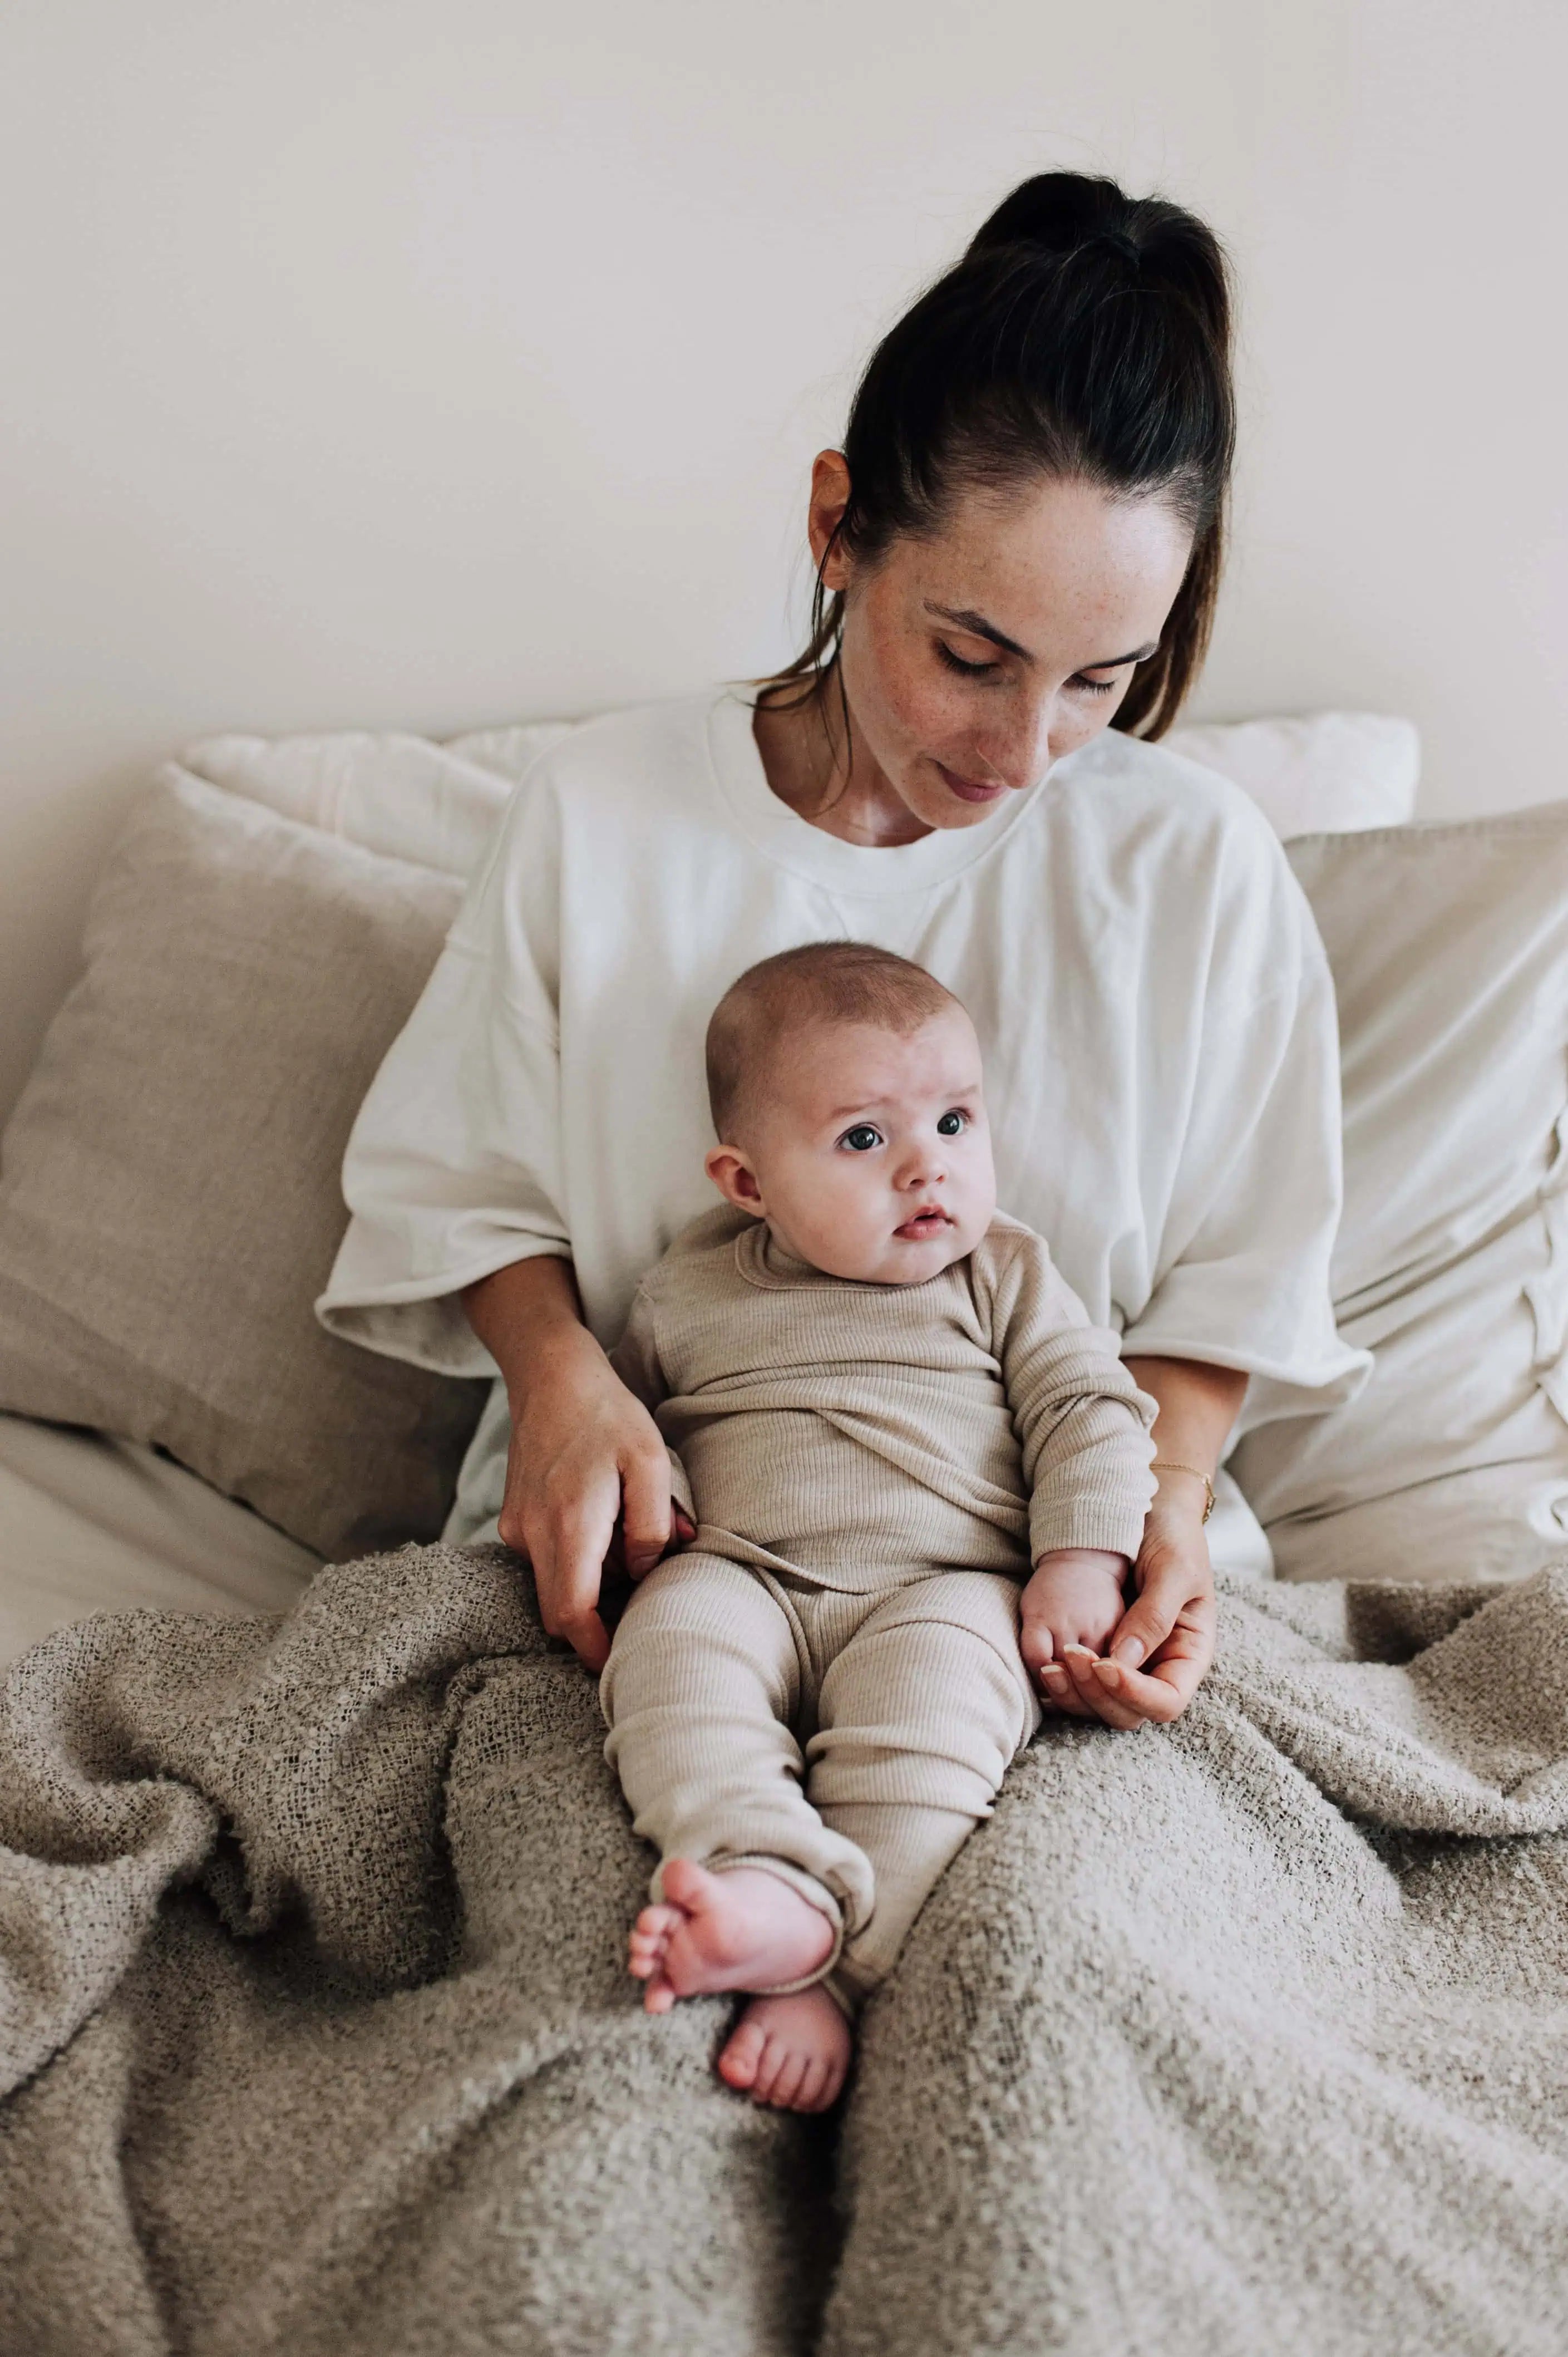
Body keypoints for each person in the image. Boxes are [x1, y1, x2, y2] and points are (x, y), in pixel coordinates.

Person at [318, 169, 1365, 1914]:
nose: (1031, 748)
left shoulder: (1193, 866)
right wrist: (564, 1385)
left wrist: (1157, 1518)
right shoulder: (605, 813)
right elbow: (461, 1182)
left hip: (1043, 1611)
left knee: (1065, 1964)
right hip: (658, 1588)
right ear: (835, 525)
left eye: (1104, 678)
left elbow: (1228, 1294)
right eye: (974, 652)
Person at [603, 942, 1160, 2112]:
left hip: (944, 1586)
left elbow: (1087, 1409)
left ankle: (834, 1967)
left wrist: (1079, 1557)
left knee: (934, 1730)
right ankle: (758, 1870)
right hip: (743, 1573)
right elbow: (619, 1441)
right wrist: (631, 1535)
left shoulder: (1000, 1273)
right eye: (865, 1139)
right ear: (746, 1184)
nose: (928, 1171)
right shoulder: (680, 1290)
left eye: (955, 1123)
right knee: (668, 1661)